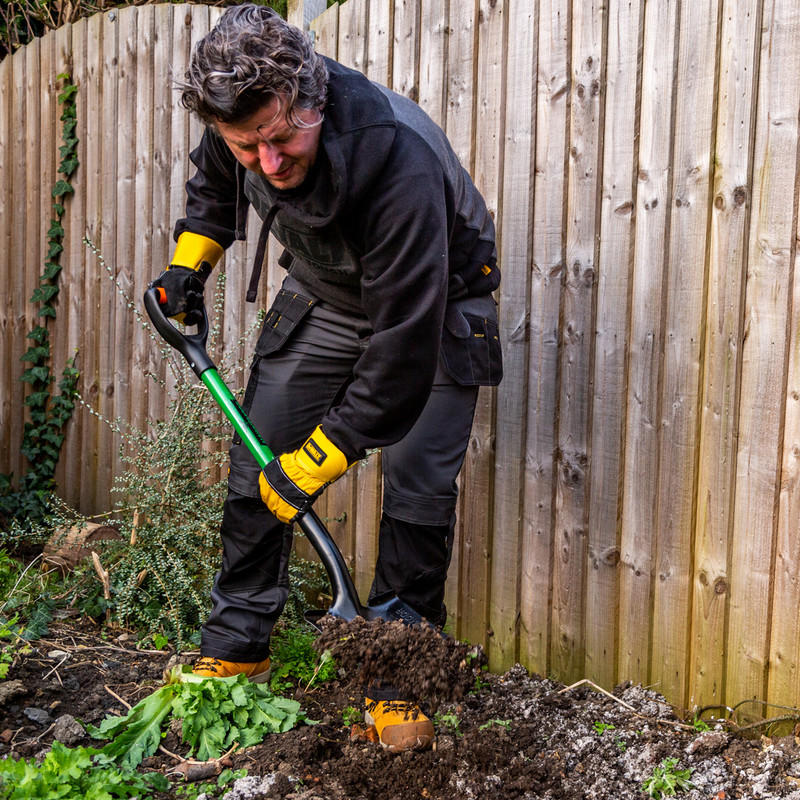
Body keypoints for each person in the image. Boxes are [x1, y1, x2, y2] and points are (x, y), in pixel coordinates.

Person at [150, 3, 502, 753]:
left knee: (417, 485)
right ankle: (238, 644)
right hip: (326, 295)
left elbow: (402, 351)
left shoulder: (397, 158)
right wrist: (188, 268)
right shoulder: (241, 121)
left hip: (433, 308)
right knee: (258, 459)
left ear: (310, 99)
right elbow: (215, 188)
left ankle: (398, 671)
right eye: (249, 145)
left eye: (281, 139)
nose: (269, 162)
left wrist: (319, 459)